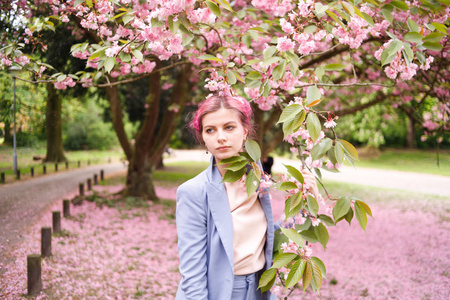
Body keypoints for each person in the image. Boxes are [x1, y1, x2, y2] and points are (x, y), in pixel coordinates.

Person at [175, 94, 319, 300]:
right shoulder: (194, 192)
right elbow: (193, 274)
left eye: (229, 127)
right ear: (203, 138)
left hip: (259, 289)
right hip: (219, 292)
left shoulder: (258, 179)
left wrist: (304, 204)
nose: (221, 137)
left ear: (245, 131)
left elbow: (270, 237)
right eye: (210, 130)